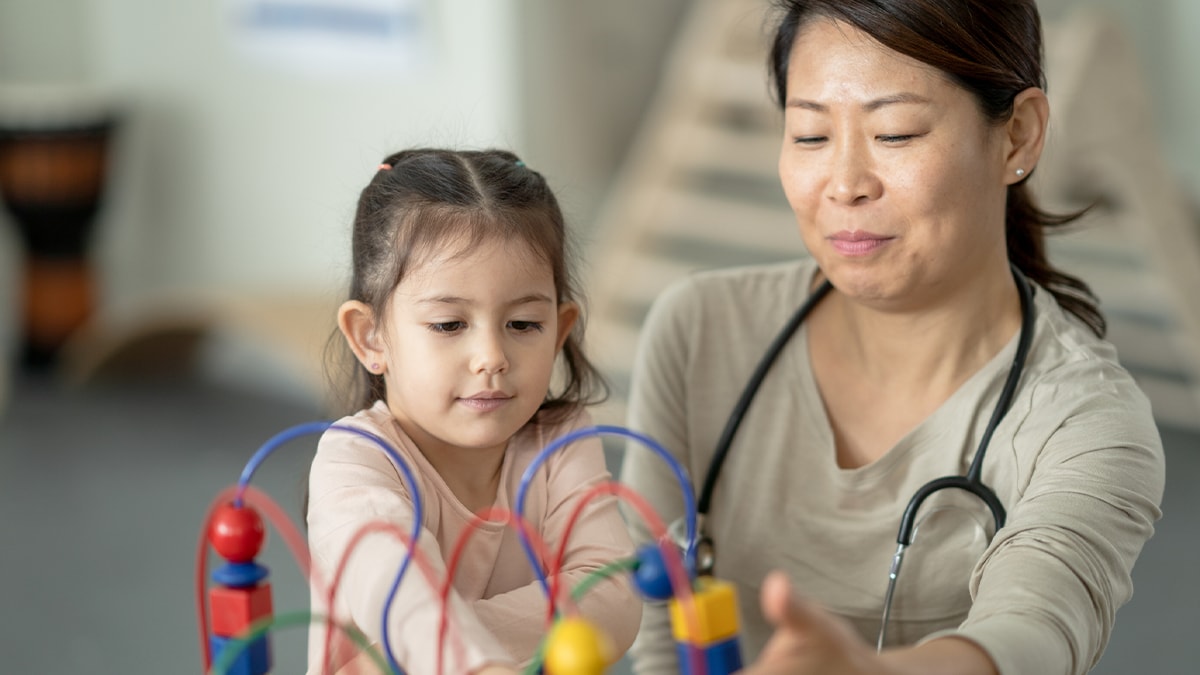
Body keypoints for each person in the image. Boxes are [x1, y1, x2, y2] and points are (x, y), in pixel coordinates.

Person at [618, 1, 1165, 675]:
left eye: (897, 132)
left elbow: (1035, 632)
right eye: (811, 136)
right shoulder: (700, 331)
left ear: (1018, 136)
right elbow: (657, 636)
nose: (844, 185)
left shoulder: (1085, 421)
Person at [306, 148, 641, 675]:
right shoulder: (355, 460)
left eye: (524, 324)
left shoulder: (560, 439)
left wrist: (459, 639)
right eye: (448, 325)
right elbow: (401, 595)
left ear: (560, 331)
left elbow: (613, 592)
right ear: (371, 338)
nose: (492, 358)